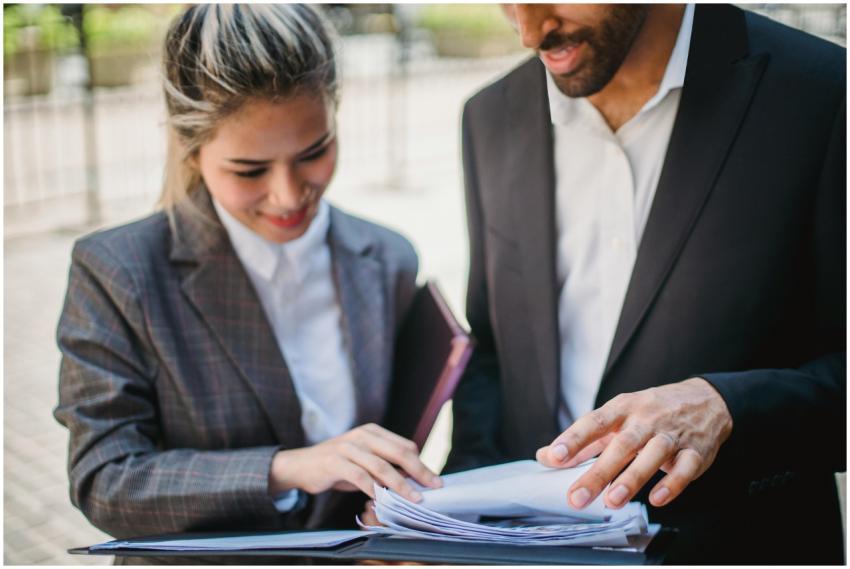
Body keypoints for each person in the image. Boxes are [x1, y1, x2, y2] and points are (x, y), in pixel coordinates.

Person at [446, 3, 845, 563]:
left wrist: (730, 407)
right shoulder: (487, 115)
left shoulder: (826, 95)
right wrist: (448, 520)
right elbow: (492, 350)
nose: (530, 31)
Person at [54, 4, 441, 561]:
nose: (288, 195)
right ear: (193, 149)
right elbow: (104, 480)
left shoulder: (388, 257)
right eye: (250, 170)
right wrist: (288, 468)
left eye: (314, 152)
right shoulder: (118, 270)